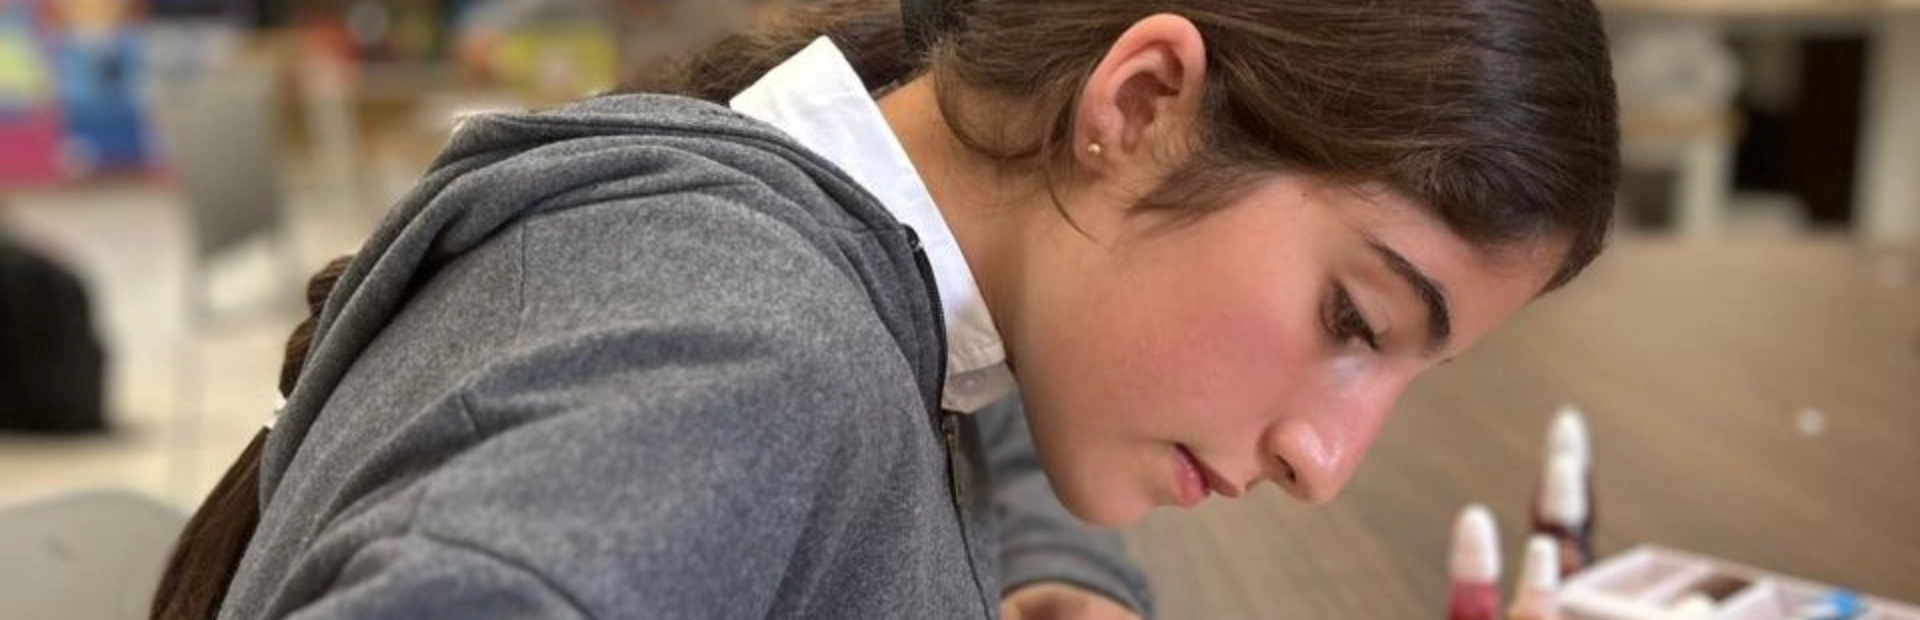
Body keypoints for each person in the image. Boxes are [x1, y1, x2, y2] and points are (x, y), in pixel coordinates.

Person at [153, 0, 1619, 617]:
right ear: (1146, 103)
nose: (1327, 460)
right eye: (1356, 323)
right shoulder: (746, 355)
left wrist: (1057, 570)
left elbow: (972, 395)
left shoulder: (878, 266)